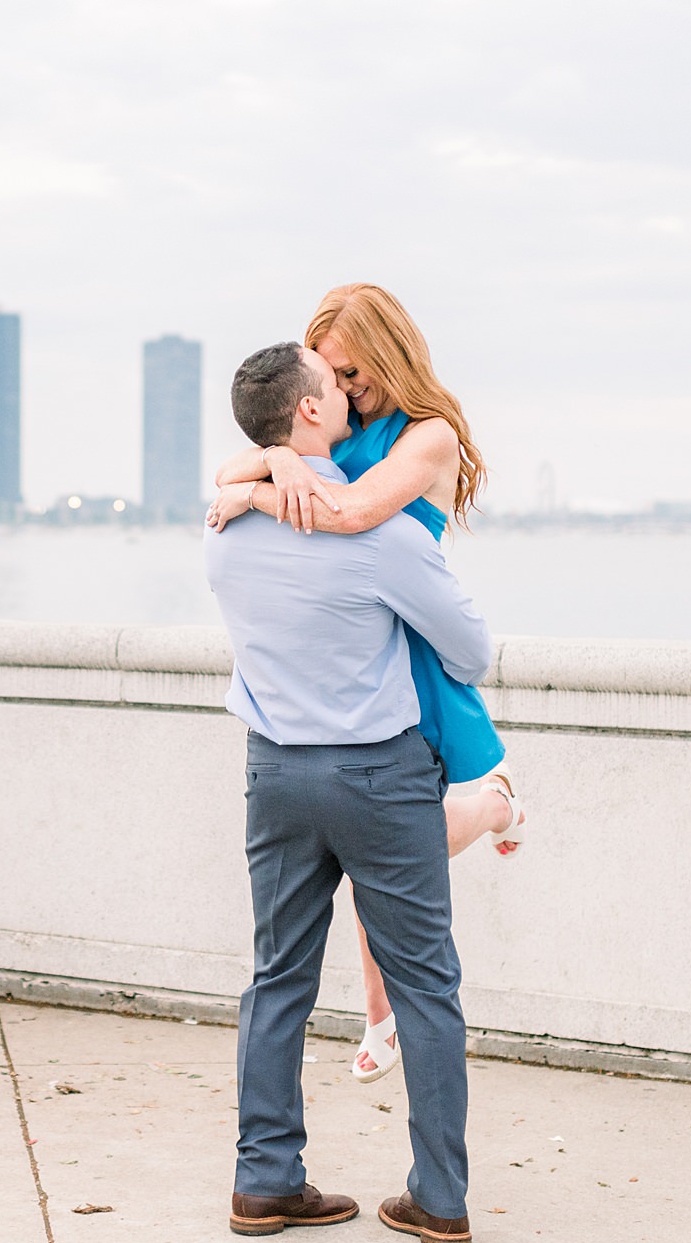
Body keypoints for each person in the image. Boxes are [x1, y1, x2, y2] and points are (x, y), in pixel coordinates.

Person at [204, 339, 489, 1243]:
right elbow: (473, 651)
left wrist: (261, 476)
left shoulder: (225, 529)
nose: (353, 399)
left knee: (278, 978)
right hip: (379, 776)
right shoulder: (382, 537)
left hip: (275, 774)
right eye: (337, 387)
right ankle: (439, 1199)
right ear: (311, 415)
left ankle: (264, 1183)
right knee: (425, 986)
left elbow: (238, 487)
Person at [206, 283, 529, 1085]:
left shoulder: (428, 435)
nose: (342, 389)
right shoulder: (336, 426)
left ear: (388, 354)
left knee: (390, 844)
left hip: (408, 635)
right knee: (364, 845)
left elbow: (349, 514)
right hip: (361, 633)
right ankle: (380, 1010)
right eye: (329, 375)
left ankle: (495, 805)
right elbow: (228, 465)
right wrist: (272, 460)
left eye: (351, 371)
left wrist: (254, 491)